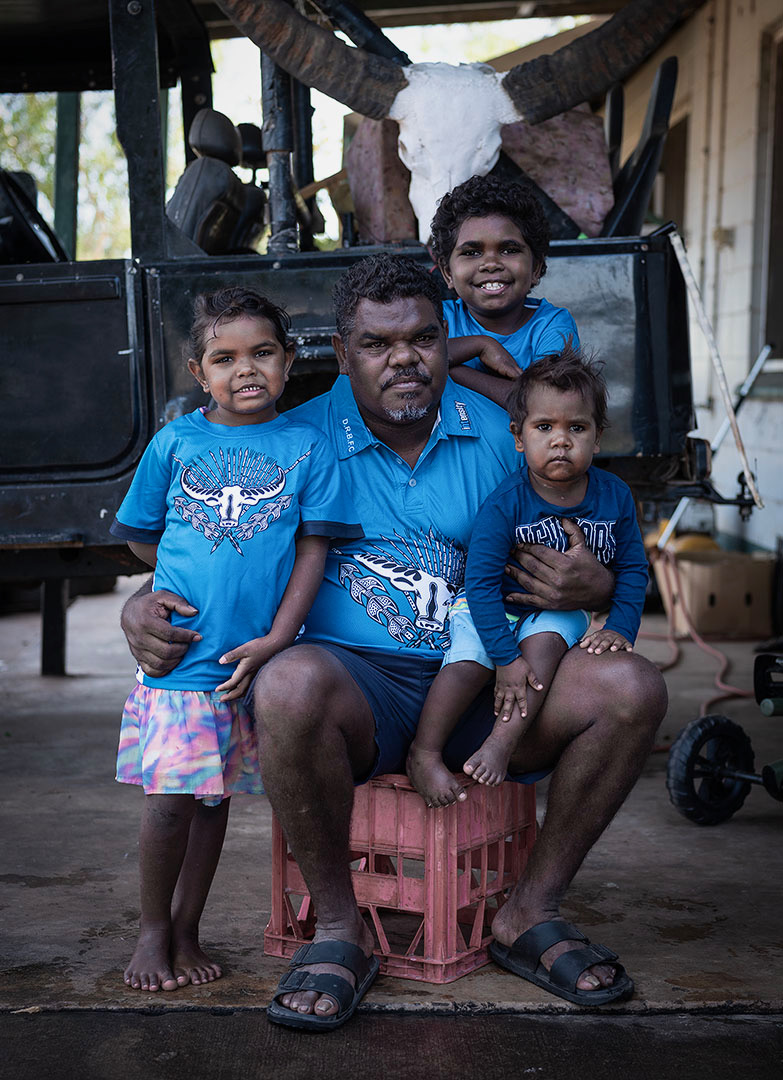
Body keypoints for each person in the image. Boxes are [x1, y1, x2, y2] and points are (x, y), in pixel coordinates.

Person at [120, 255, 667, 1026]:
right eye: (377, 344)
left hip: (486, 681)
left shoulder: (507, 434)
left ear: (446, 340)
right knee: (289, 682)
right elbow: (206, 549)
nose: (403, 358)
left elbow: (597, 546)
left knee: (632, 687)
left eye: (421, 338)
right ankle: (342, 932)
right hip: (356, 687)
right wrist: (138, 606)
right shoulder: (291, 440)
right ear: (342, 355)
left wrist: (600, 588)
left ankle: (527, 913)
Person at [110, 286, 361, 993]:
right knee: (168, 803)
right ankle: (153, 930)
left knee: (211, 799)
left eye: (262, 354)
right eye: (224, 358)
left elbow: (313, 549)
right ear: (199, 373)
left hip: (249, 660)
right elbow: (139, 533)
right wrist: (154, 588)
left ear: (288, 362)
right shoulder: (177, 441)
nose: (244, 370)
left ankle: (189, 927)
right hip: (184, 656)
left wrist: (280, 636)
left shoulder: (307, 447)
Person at [407, 345, 649, 809]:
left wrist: (621, 625)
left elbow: (634, 567)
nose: (561, 441)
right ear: (518, 438)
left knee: (545, 650)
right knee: (467, 662)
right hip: (492, 604)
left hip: (559, 612)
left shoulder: (615, 496)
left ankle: (502, 743)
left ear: (598, 438)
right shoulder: (505, 502)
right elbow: (478, 583)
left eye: (576, 428)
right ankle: (425, 750)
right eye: (545, 428)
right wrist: (502, 656)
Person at [429, 174, 579, 406]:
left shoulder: (552, 325)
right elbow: (408, 357)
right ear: (448, 273)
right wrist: (482, 345)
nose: (491, 263)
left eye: (509, 250)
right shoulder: (438, 318)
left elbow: (543, 403)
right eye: (472, 252)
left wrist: (447, 368)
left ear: (536, 269)